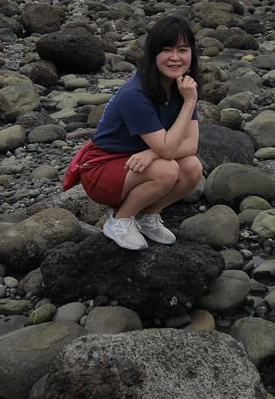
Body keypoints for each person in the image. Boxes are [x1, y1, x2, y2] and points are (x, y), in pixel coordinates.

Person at [68, 14, 203, 250]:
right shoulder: (136, 94)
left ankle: (147, 216)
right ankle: (119, 221)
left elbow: (191, 146)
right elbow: (168, 151)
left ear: (191, 54)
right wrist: (189, 104)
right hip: (101, 168)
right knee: (167, 168)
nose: (175, 57)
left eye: (182, 50)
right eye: (166, 50)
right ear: (153, 54)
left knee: (192, 167)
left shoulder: (183, 88)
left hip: (138, 163)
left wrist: (151, 153)